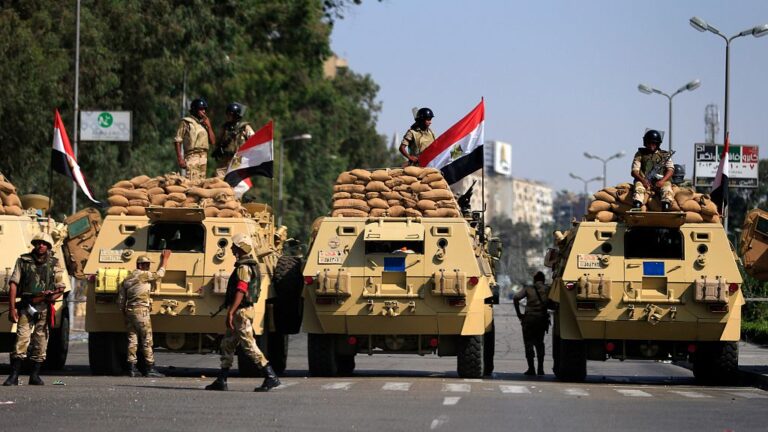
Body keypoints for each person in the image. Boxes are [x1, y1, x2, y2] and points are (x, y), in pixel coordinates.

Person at [206, 233, 280, 392]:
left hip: (242, 312)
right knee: (227, 344)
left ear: (240, 248)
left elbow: (241, 289)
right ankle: (222, 379)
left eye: (234, 246)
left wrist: (231, 311)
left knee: (249, 345)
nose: (232, 248)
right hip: (241, 311)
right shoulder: (246, 265)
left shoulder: (244, 268)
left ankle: (270, 376)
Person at [3, 232, 65, 386]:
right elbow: (13, 284)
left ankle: (34, 375)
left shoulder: (54, 263)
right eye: (38, 243)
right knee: (22, 339)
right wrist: (12, 308)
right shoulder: (23, 261)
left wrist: (52, 296)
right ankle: (14, 375)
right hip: (27, 305)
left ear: (49, 246)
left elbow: (60, 287)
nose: (40, 245)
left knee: (41, 341)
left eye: (44, 243)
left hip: (44, 307)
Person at [117, 251, 171, 378]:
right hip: (141, 311)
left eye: (148, 265)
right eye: (146, 265)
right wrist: (165, 260)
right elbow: (159, 274)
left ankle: (132, 368)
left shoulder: (127, 279)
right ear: (140, 265)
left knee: (132, 340)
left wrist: (124, 311)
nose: (148, 267)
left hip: (129, 311)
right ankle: (150, 368)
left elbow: (120, 300)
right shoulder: (143, 275)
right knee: (147, 340)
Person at [513, 271, 550, 376]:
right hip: (541, 320)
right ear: (543, 280)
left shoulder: (528, 289)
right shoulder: (548, 289)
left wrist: (519, 314)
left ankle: (531, 369)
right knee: (540, 343)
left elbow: (516, 298)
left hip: (529, 320)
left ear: (534, 280)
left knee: (528, 344)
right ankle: (540, 369)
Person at [630, 129, 675, 211]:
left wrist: (662, 181)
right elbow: (634, 171)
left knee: (667, 188)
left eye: (654, 143)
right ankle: (637, 205)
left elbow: (670, 170)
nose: (651, 145)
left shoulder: (664, 155)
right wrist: (643, 180)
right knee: (639, 187)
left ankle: (666, 205)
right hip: (644, 181)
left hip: (660, 181)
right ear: (645, 143)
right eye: (649, 143)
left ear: (658, 144)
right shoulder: (640, 154)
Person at [174, 98, 216, 181]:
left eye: (204, 109)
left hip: (203, 156)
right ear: (195, 110)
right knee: (192, 181)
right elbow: (177, 140)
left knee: (201, 182)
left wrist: (209, 126)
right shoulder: (186, 122)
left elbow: (213, 141)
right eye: (201, 109)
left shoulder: (204, 124)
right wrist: (180, 159)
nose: (204, 111)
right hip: (192, 156)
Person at [213, 102, 255, 178]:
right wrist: (218, 149)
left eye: (230, 114)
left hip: (238, 159)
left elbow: (254, 140)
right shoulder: (225, 128)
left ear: (236, 115)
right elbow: (218, 141)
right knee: (218, 178)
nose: (228, 116)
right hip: (225, 159)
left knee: (234, 180)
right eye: (227, 114)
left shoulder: (244, 128)